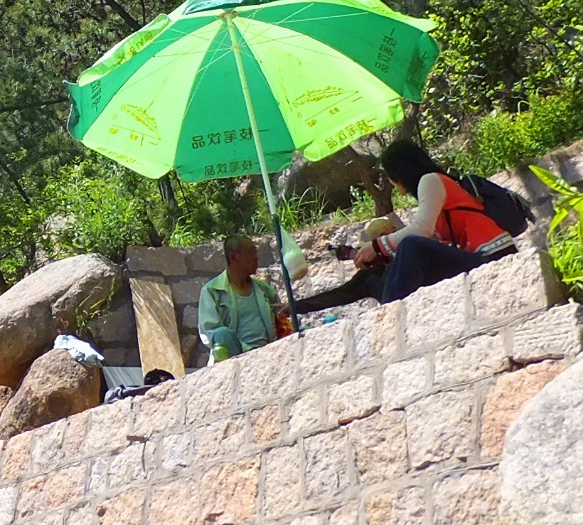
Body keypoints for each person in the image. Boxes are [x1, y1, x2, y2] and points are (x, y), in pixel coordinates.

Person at [296, 138, 516, 313]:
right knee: (381, 271)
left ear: (398, 173)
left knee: (411, 245)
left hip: (493, 254)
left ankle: (392, 311)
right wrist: (384, 256)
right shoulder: (435, 187)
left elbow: (421, 231)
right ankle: (302, 307)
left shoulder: (431, 180)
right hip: (477, 257)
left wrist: (376, 246)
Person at [199, 236, 290, 361]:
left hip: (268, 352)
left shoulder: (264, 289)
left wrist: (285, 310)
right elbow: (211, 333)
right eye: (251, 252)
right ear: (234, 257)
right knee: (221, 334)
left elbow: (280, 320)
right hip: (235, 357)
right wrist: (248, 350)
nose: (256, 257)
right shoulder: (212, 291)